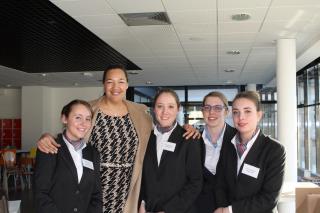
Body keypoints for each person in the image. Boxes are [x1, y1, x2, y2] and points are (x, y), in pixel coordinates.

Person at [37, 64, 199, 213]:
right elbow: (73, 131)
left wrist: (186, 127)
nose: (116, 87)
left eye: (121, 81)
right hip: (94, 188)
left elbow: (164, 128)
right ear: (104, 85)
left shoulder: (141, 113)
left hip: (127, 189)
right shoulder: (90, 109)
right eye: (110, 82)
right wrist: (47, 137)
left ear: (127, 85)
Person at [214, 91, 286, 213]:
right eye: (236, 112)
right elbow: (220, 184)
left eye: (247, 111)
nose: (241, 117)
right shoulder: (228, 145)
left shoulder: (274, 150)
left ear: (259, 115)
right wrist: (222, 208)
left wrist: (230, 210)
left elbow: (269, 198)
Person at [139, 88, 203, 213]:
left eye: (170, 107)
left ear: (178, 109)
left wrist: (168, 210)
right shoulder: (146, 138)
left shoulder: (189, 138)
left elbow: (195, 183)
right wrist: (142, 202)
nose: (164, 112)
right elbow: (142, 176)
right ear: (154, 109)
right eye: (160, 106)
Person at [34, 99, 102, 213]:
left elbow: (96, 195)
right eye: (78, 117)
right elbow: (40, 194)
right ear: (64, 119)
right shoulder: (49, 147)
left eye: (88, 119)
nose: (83, 124)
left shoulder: (92, 153)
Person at [194, 92, 237, 213]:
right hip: (198, 207)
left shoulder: (238, 138)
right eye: (207, 108)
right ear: (202, 111)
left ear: (226, 111)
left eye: (218, 108)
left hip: (229, 207)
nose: (211, 112)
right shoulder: (192, 140)